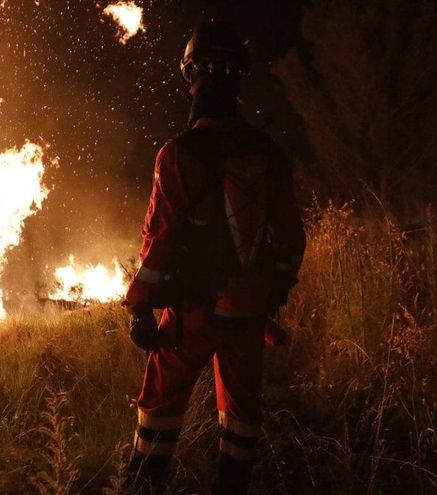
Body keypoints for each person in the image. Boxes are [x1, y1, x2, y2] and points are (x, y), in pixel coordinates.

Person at [122, 20, 306, 494]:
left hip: (190, 316)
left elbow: (158, 241)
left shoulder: (179, 154)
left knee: (159, 409)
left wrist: (140, 305)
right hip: (247, 312)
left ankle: (143, 487)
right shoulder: (267, 152)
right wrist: (273, 291)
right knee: (242, 418)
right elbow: (289, 238)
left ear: (192, 77)